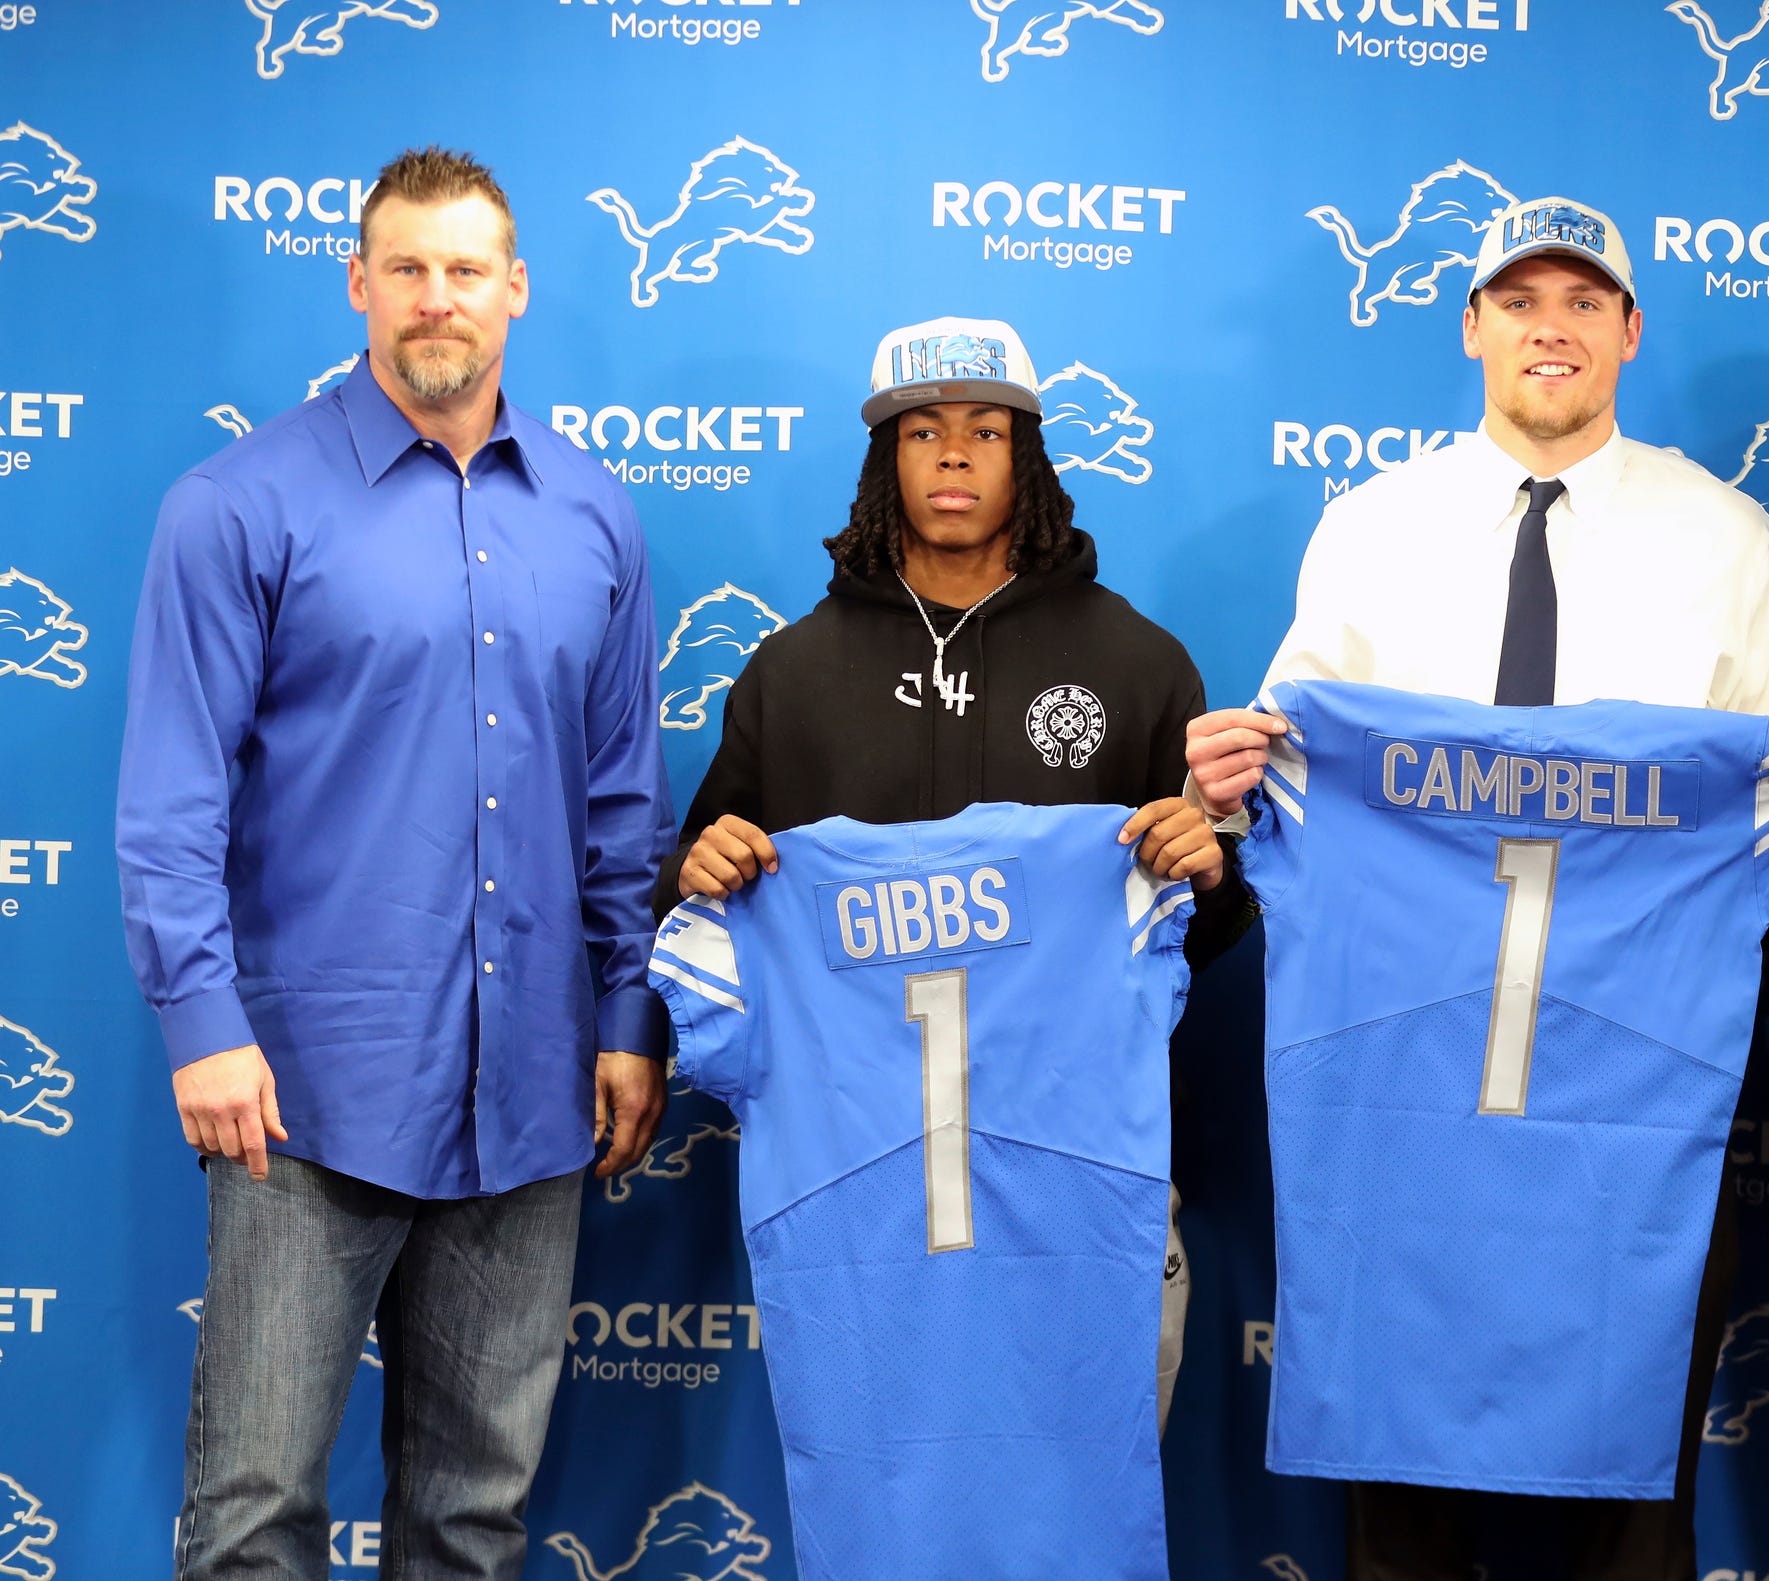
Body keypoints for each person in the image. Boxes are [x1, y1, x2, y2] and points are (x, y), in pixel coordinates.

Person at [1186, 197, 1769, 1580]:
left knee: (1624, 1508)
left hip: (1631, 1092)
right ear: (1472, 329)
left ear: (1627, 332)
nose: (1547, 326)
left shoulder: (1725, 535)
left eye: (1579, 302)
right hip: (1408, 1093)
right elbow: (1288, 786)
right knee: (1404, 1513)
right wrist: (1234, 769)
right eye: (1518, 301)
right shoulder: (1371, 525)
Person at [116, 147, 674, 1578]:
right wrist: (202, 1027)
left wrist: (624, 1022)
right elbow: (171, 798)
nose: (439, 300)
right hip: (300, 1090)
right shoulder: (238, 504)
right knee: (250, 1512)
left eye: (467, 270)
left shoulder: (597, 516)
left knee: (473, 1521)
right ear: (359, 284)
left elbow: (620, 801)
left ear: (516, 291)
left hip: (537, 1087)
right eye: (409, 269)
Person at [658, 315, 1248, 1429]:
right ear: (888, 462)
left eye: (987, 429)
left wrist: (1207, 874)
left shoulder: (1136, 661)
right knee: (889, 1493)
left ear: (1029, 457)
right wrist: (706, 869)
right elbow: (694, 914)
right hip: (860, 1168)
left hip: (1079, 1157)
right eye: (922, 432)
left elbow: (1203, 940)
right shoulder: (793, 672)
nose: (956, 455)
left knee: (1082, 1488)